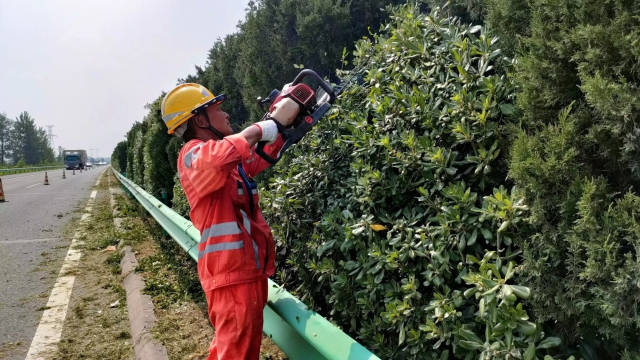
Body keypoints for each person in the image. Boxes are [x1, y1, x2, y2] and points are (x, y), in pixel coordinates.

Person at [161, 83, 296, 359]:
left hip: (243, 272)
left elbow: (255, 158)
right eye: (216, 109)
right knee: (237, 354)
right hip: (231, 277)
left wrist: (279, 125)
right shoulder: (193, 154)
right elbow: (219, 157)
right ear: (200, 120)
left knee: (230, 350)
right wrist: (258, 130)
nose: (225, 116)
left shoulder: (224, 161)